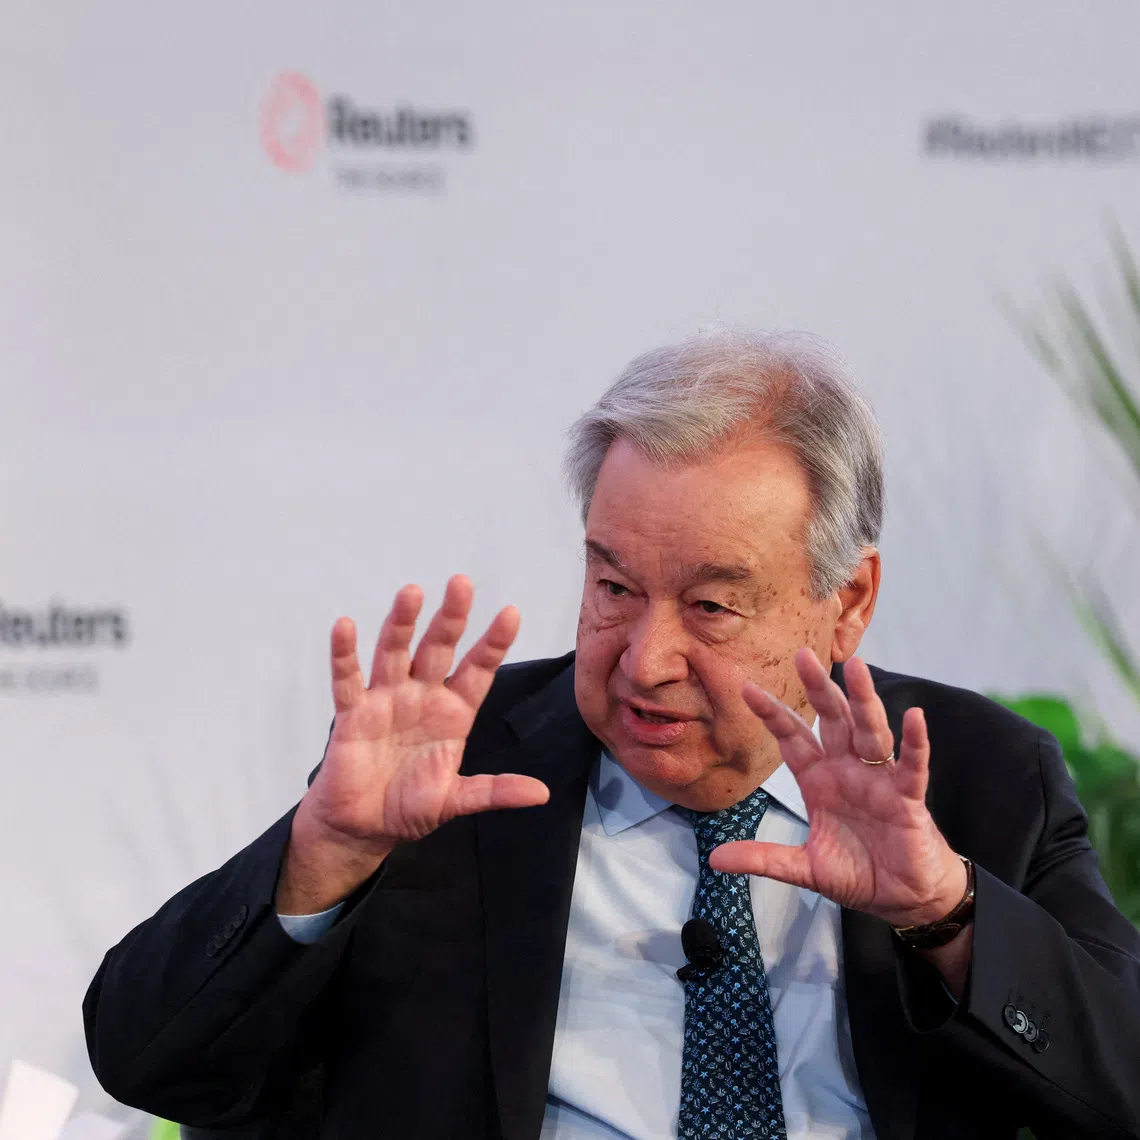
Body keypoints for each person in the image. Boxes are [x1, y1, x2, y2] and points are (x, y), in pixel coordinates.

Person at [84, 330, 1140, 1140]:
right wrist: (325, 855)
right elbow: (147, 1063)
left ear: (847, 601)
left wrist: (947, 916)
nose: (644, 661)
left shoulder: (979, 781)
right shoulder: (447, 771)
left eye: (712, 607)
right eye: (615, 587)